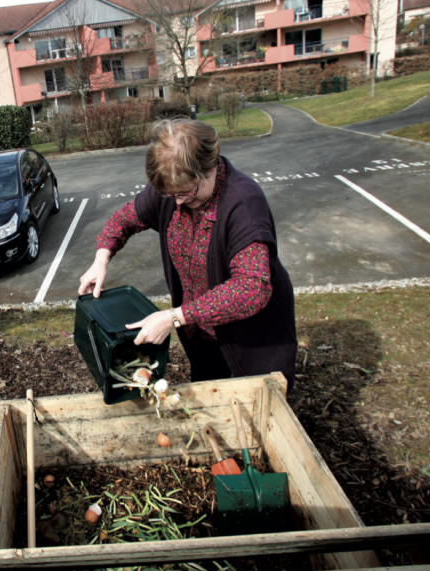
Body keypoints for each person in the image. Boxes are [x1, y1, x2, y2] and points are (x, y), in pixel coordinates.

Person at [78, 118, 297, 389]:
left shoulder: (243, 204)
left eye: (186, 194)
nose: (178, 202)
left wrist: (174, 317)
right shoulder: (172, 189)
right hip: (199, 331)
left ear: (209, 169)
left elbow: (251, 288)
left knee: (259, 403)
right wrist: (101, 259)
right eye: (170, 196)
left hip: (254, 337)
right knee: (209, 397)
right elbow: (124, 219)